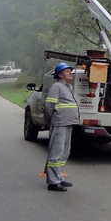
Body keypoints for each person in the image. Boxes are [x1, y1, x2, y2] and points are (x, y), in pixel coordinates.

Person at [44, 63, 80, 192]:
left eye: (70, 71)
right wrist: (51, 120)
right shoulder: (56, 87)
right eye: (67, 71)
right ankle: (53, 182)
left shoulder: (68, 87)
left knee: (64, 153)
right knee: (56, 153)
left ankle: (59, 178)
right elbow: (49, 106)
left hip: (68, 123)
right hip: (59, 123)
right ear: (60, 75)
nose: (70, 73)